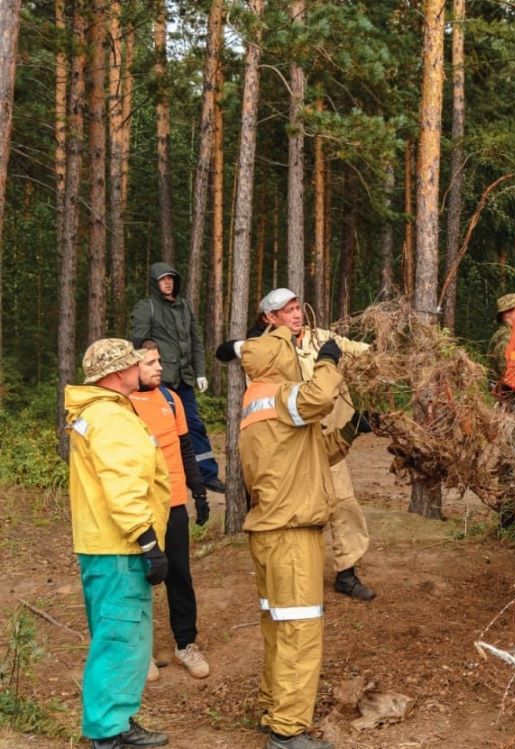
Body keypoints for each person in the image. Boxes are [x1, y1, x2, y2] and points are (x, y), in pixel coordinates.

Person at [218, 288, 376, 601]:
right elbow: (227, 352)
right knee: (301, 512)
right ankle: (300, 580)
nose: (296, 314)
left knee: (343, 503)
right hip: (291, 446)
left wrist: (379, 347)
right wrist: (238, 345)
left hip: (329, 438)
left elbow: (364, 352)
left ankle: (347, 572)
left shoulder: (321, 338)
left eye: (297, 307)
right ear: (270, 317)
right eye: (287, 310)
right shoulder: (265, 350)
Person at [238, 320, 346, 749]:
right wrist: (329, 361)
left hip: (270, 532)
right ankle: (287, 732)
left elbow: (309, 452)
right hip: (291, 536)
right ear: (276, 359)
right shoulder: (281, 396)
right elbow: (320, 395)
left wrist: (354, 431)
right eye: (289, 349)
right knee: (300, 631)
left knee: (278, 626)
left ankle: (273, 706)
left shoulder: (258, 404)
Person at [64, 338, 172, 749]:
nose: (140, 367)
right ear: (116, 373)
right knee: (121, 638)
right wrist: (147, 541)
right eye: (133, 363)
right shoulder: (110, 417)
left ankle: (117, 721)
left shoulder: (102, 412)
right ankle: (108, 733)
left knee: (122, 638)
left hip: (107, 545)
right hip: (120, 547)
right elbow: (123, 483)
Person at [129, 340, 211, 681]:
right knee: (139, 578)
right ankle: (140, 652)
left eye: (159, 361)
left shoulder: (170, 398)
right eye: (150, 363)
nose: (158, 367)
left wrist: (199, 491)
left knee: (180, 574)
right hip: (141, 507)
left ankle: (185, 644)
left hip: (175, 502)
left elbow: (185, 446)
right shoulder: (124, 404)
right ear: (132, 369)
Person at [131, 262, 225, 494]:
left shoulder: (184, 307)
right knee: (159, 429)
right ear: (155, 282)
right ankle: (161, 476)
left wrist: (200, 372)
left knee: (193, 426)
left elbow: (196, 341)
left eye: (170, 278)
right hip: (160, 379)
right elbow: (137, 342)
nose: (167, 282)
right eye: (162, 278)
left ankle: (207, 475)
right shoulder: (147, 307)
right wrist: (147, 371)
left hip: (184, 379)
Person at [488, 292, 515, 386]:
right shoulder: (506, 336)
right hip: (505, 393)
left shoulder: (504, 333)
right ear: (508, 313)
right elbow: (503, 367)